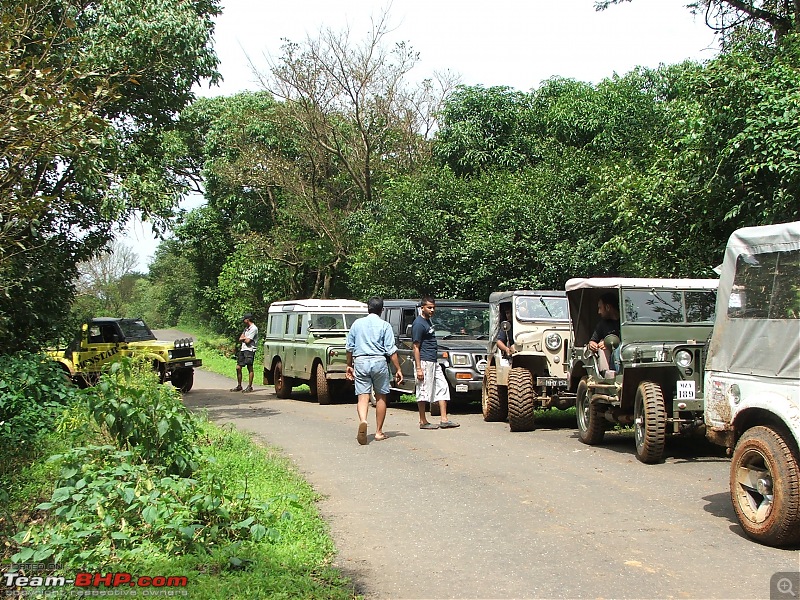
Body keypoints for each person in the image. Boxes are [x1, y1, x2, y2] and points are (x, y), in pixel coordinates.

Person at [345, 296, 404, 445]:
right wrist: (398, 369)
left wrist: (349, 365)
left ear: (368, 308)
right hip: (379, 361)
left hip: (361, 361)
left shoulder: (357, 324)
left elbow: (349, 348)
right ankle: (378, 432)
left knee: (362, 396)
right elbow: (391, 350)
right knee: (381, 397)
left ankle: (363, 420)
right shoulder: (385, 325)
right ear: (382, 310)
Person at [412, 296, 460, 430]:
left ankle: (444, 419)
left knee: (443, 386)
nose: (432, 310)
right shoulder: (419, 324)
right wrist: (419, 368)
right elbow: (415, 347)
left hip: (433, 361)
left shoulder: (428, 322)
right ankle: (423, 421)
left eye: (433, 307)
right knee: (423, 390)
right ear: (422, 308)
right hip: (424, 361)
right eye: (429, 307)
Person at [588, 293, 621, 376]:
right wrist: (592, 345)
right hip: (611, 359)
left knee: (619, 348)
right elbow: (593, 341)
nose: (599, 312)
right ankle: (611, 376)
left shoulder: (624, 322)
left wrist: (608, 343)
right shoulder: (602, 324)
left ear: (608, 307)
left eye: (600, 308)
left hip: (626, 356)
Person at [231, 312, 258, 393]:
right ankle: (239, 385)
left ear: (248, 319)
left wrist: (244, 338)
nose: (243, 321)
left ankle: (250, 386)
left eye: (244, 319)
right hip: (243, 349)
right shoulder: (246, 328)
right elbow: (240, 338)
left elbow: (248, 341)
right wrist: (244, 338)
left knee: (249, 367)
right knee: (238, 367)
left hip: (250, 350)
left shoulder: (254, 328)